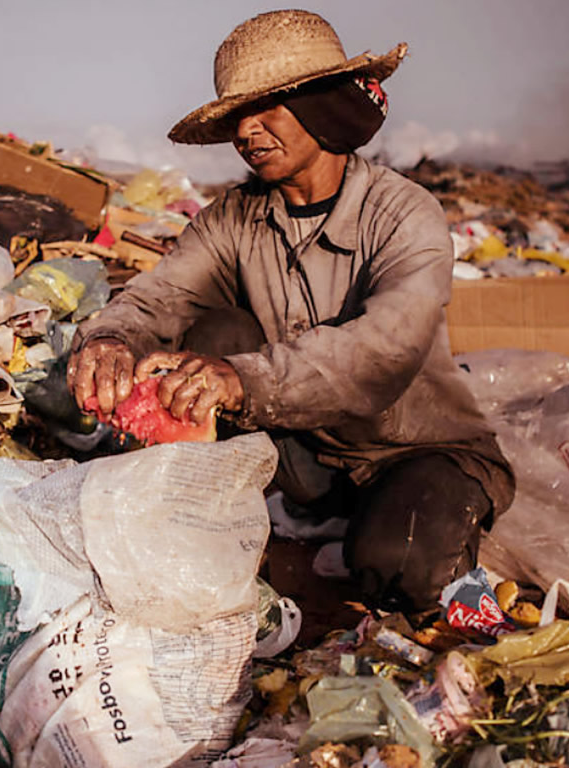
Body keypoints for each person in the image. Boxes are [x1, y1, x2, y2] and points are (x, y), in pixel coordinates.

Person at [69, 9, 514, 612]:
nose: (247, 132)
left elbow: (389, 346)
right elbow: (161, 296)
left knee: (398, 569)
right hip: (305, 457)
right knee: (215, 331)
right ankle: (245, 531)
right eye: (236, 119)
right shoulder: (232, 219)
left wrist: (241, 378)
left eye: (266, 109)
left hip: (412, 447)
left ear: (322, 105)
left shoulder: (404, 214)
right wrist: (112, 339)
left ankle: (416, 537)